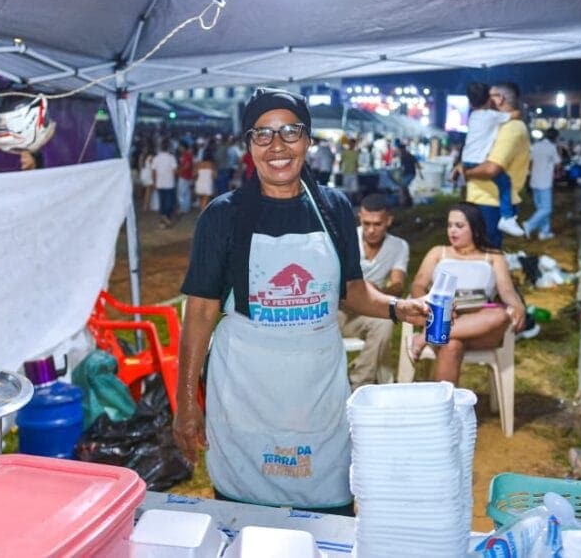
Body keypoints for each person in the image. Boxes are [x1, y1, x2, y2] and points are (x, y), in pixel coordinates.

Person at [174, 88, 428, 515]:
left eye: (290, 132)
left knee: (327, 501)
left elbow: (351, 291)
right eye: (263, 134)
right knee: (244, 514)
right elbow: (200, 312)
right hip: (244, 389)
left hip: (317, 387)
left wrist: (396, 308)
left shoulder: (333, 208)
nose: (277, 146)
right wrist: (184, 403)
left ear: (308, 139)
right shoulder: (223, 215)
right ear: (249, 144)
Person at [408, 202, 525, 384]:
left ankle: (427, 335)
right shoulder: (438, 252)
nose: (452, 231)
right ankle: (445, 409)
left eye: (459, 226)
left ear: (475, 228)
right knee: (452, 345)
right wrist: (429, 305)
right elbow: (418, 285)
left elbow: (507, 290)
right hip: (444, 315)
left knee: (500, 315)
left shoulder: (493, 256)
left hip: (481, 325)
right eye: (450, 225)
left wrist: (517, 305)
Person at [338, 193, 409, 389]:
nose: (371, 230)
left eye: (377, 224)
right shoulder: (346, 239)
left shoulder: (399, 246)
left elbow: (398, 284)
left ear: (389, 221)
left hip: (369, 308)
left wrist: (378, 291)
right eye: (366, 223)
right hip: (340, 307)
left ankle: (359, 383)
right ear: (360, 217)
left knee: (384, 323)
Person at [464, 82, 531, 247]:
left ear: (499, 99)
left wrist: (467, 172)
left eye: (491, 95)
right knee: (480, 251)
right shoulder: (495, 123)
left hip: (490, 202)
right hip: (485, 199)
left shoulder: (511, 128)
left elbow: (492, 169)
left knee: (485, 252)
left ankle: (508, 219)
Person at [524, 128, 561, 240]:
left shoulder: (535, 146)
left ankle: (544, 232)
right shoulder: (552, 147)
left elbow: (529, 162)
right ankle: (529, 224)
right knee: (546, 209)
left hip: (534, 180)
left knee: (541, 208)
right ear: (555, 137)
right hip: (545, 182)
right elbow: (558, 164)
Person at [153, 141, 178, 227]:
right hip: (169, 183)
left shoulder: (156, 158)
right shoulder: (171, 158)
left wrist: (155, 182)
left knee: (162, 201)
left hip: (160, 183)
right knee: (169, 202)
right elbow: (175, 171)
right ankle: (166, 218)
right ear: (168, 148)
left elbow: (154, 171)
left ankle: (162, 219)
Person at [397, 140, 422, 207]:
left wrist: (421, 174)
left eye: (400, 150)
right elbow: (402, 167)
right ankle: (407, 201)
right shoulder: (402, 157)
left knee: (403, 186)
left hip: (410, 174)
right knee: (404, 187)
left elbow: (417, 164)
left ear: (403, 149)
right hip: (406, 174)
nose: (400, 151)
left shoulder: (409, 156)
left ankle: (406, 202)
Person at [339, 138, 360, 202]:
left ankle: (351, 201)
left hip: (353, 172)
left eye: (353, 144)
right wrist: (340, 169)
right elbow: (341, 161)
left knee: (354, 189)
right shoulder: (345, 152)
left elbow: (356, 162)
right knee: (347, 188)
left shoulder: (356, 152)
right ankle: (347, 201)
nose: (352, 145)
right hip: (346, 172)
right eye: (351, 143)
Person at [177, 141, 195, 214]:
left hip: (184, 176)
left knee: (181, 193)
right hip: (187, 176)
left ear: (183, 147)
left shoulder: (186, 155)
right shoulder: (188, 155)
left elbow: (187, 166)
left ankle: (182, 208)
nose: (179, 148)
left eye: (180, 147)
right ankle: (186, 208)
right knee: (186, 193)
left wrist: (179, 171)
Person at [139, 144, 156, 213]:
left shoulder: (141, 156)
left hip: (143, 174)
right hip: (148, 175)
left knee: (147, 192)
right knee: (148, 193)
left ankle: (146, 206)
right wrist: (153, 178)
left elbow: (140, 167)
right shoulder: (151, 157)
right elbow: (153, 169)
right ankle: (145, 207)